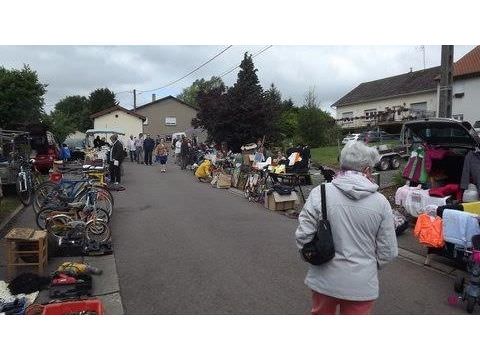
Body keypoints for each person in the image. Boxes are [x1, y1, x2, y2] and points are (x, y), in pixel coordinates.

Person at [295, 141, 398, 315]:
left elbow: (303, 235)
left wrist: (310, 255)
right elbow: (389, 251)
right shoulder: (381, 202)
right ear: (367, 170)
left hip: (323, 279)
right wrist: (369, 267)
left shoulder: (320, 192)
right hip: (362, 285)